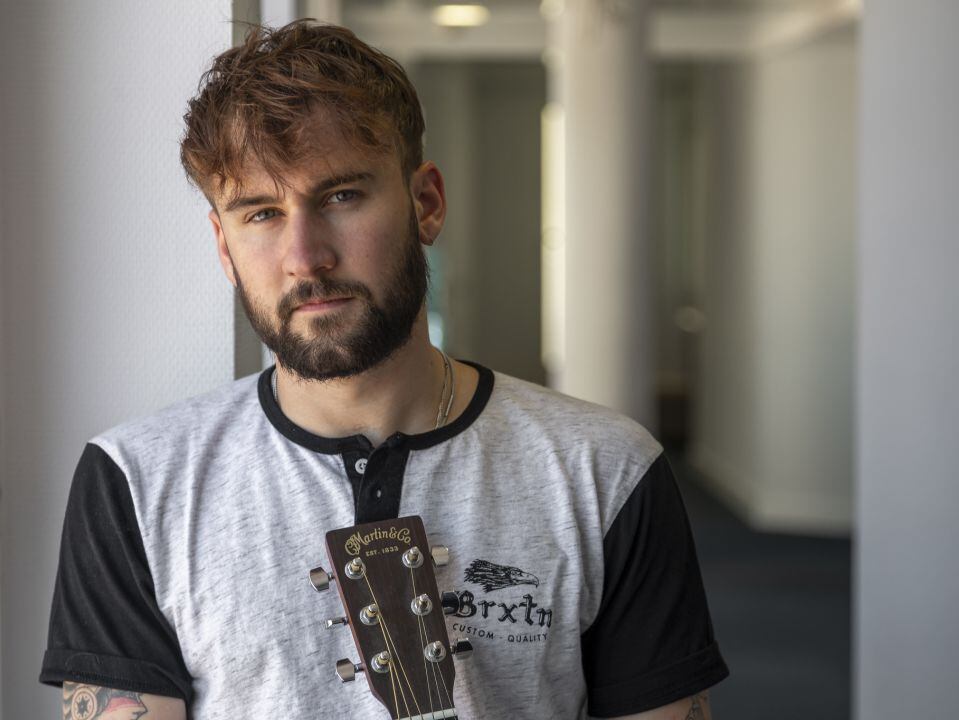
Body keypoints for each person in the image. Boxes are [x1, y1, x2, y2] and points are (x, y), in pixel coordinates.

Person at [40, 19, 728, 720]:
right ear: (224, 244)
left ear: (425, 204)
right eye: (261, 213)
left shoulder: (606, 471)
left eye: (341, 196)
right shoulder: (138, 481)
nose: (305, 257)